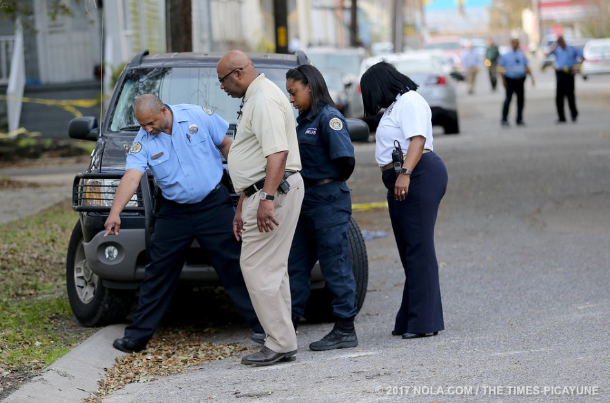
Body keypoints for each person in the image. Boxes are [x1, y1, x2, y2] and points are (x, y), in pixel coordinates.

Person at [105, 94, 265, 353]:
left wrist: (246, 186)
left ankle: (263, 326)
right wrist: (115, 212)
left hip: (213, 204)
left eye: (151, 122)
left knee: (235, 266)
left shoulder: (197, 116)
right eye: (142, 125)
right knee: (158, 272)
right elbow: (131, 177)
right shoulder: (143, 139)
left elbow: (227, 146)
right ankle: (137, 337)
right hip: (174, 213)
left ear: (164, 110)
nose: (147, 129)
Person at [217, 50, 304, 366]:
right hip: (261, 192)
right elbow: (254, 158)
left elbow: (277, 154)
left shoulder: (263, 98)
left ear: (237, 73)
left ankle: (279, 342)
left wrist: (266, 199)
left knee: (256, 268)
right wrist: (244, 202)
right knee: (273, 270)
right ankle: (283, 339)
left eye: (222, 81)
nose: (222, 88)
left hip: (273, 192)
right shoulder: (256, 97)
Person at [359, 61, 447, 340]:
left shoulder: (410, 101)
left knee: (419, 248)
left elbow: (418, 140)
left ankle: (424, 322)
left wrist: (405, 173)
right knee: (409, 249)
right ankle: (411, 316)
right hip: (401, 177)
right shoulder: (396, 106)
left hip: (417, 174)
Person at [285, 65, 359, 351]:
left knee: (334, 264)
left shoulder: (329, 118)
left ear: (310, 87)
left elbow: (346, 161)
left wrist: (326, 183)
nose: (291, 98)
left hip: (327, 199)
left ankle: (344, 329)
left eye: (294, 92)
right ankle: (287, 326)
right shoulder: (303, 121)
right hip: (305, 200)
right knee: (296, 264)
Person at [545, 36, 584, 123]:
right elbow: (547, 54)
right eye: (559, 43)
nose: (561, 45)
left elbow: (582, 57)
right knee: (559, 97)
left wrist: (577, 68)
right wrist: (554, 45)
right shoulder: (556, 50)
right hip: (560, 73)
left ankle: (574, 115)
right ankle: (561, 117)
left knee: (570, 96)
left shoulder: (571, 49)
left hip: (569, 73)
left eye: (562, 43)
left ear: (564, 42)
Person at [497, 38, 535, 127]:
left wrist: (532, 78)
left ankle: (519, 119)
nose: (516, 45)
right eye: (514, 43)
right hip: (510, 80)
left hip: (520, 80)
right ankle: (504, 119)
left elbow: (526, 66)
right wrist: (503, 80)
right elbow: (500, 68)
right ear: (511, 44)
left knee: (520, 100)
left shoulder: (521, 54)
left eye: (517, 43)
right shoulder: (506, 55)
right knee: (508, 100)